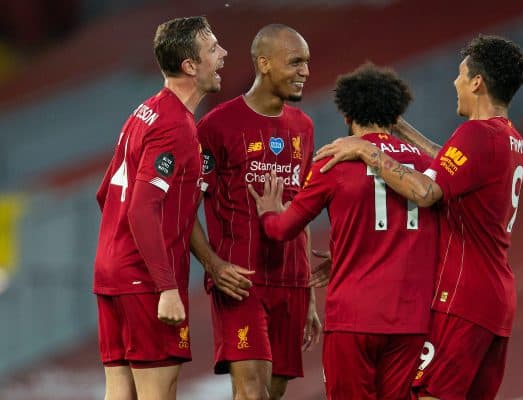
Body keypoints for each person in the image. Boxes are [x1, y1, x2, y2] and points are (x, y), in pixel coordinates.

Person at [315, 35, 523, 400]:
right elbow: (446, 162)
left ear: (477, 82)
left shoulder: (475, 133)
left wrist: (367, 150)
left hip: (461, 299)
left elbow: (427, 192)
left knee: (426, 395)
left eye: (461, 74)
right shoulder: (511, 140)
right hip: (497, 302)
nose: (455, 82)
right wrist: (400, 128)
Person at [248, 63, 439, 400]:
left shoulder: (334, 161)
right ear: (395, 114)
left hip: (353, 319)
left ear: (347, 114)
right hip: (411, 320)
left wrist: (268, 213)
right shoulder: (426, 168)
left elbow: (282, 231)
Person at [92, 16, 227, 400]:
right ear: (190, 65)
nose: (224, 55)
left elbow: (106, 194)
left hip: (113, 271)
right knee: (158, 392)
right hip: (145, 280)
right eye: (213, 49)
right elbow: (141, 208)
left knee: (120, 390)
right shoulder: (175, 126)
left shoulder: (145, 111)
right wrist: (166, 286)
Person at [190, 24, 321, 400]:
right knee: (251, 393)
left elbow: (303, 209)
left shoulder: (305, 127)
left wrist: (310, 295)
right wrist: (214, 266)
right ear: (264, 63)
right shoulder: (216, 126)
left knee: (272, 394)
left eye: (307, 63)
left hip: (291, 283)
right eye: (295, 62)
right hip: (240, 280)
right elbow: (186, 210)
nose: (305, 72)